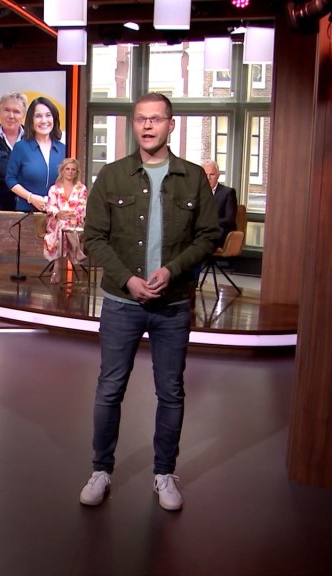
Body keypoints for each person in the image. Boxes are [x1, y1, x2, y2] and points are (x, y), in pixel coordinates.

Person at [79, 93, 220, 511]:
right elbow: (93, 238)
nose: (147, 125)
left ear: (170, 125)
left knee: (171, 391)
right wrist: (128, 279)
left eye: (156, 119)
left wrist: (172, 270)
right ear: (133, 124)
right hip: (121, 303)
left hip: (172, 305)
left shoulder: (193, 177)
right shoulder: (112, 176)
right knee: (109, 389)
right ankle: (101, 470)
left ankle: (164, 473)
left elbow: (208, 236)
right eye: (141, 118)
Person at [5, 96, 65, 212]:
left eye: (48, 115)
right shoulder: (21, 147)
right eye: (38, 116)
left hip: (56, 215)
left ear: (54, 118)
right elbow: (10, 179)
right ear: (31, 120)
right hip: (26, 214)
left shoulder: (63, 149)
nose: (44, 120)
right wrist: (31, 198)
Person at [43, 158, 88, 282]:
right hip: (56, 222)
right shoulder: (54, 189)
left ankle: (57, 267)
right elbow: (51, 206)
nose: (70, 172)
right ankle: (77, 251)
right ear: (62, 171)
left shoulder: (81, 188)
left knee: (64, 225)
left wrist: (71, 215)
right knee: (62, 224)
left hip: (75, 222)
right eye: (67, 169)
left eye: (73, 170)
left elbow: (82, 207)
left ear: (77, 172)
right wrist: (59, 213)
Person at [0, 92, 26, 211]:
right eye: (7, 110)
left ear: (23, 115)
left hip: (29, 210)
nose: (11, 116)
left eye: (16, 112)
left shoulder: (34, 140)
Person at [201, 159, 238, 247]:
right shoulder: (195, 193)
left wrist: (208, 223)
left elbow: (229, 220)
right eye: (205, 175)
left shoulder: (228, 193)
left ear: (218, 176)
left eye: (212, 174)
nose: (208, 178)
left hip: (219, 229)